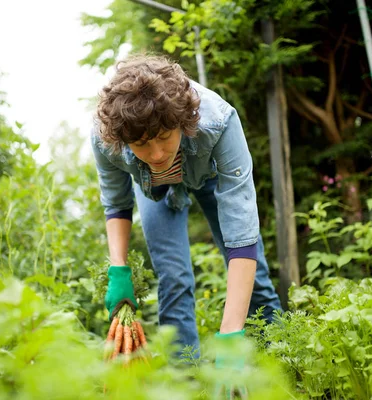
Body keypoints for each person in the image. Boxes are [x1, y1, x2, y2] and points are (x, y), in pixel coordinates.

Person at [90, 54, 282, 362]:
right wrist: (118, 268)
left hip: (208, 172)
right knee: (173, 277)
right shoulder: (106, 137)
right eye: (140, 145)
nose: (155, 154)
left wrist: (231, 335)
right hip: (152, 187)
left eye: (164, 138)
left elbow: (241, 233)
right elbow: (116, 203)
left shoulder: (218, 121)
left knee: (254, 277)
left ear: (181, 122)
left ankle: (284, 360)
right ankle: (185, 380)